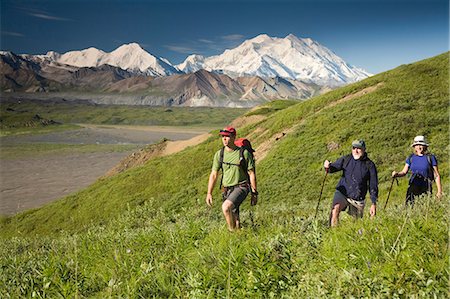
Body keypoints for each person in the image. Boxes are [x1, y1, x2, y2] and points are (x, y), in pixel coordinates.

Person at [206, 126, 258, 231]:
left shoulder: (244, 153)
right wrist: (209, 193)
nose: (224, 139)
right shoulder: (219, 154)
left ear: (234, 137)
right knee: (235, 217)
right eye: (223, 137)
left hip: (241, 187)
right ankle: (238, 236)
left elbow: (251, 173)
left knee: (226, 207)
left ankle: (231, 232)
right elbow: (214, 174)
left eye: (227, 136)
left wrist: (254, 192)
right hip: (227, 189)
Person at [324, 139, 378, 227]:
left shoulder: (369, 165)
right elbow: (333, 168)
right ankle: (334, 234)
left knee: (355, 224)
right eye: (354, 148)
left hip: (358, 198)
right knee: (335, 211)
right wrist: (328, 167)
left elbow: (373, 184)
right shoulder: (347, 159)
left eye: (358, 149)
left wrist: (373, 203)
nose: (355, 151)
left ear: (364, 149)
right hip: (343, 193)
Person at [391, 135, 442, 206]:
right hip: (412, 186)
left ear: (425, 146)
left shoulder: (430, 158)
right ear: (414, 147)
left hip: (426, 187)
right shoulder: (411, 158)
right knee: (409, 207)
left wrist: (439, 191)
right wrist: (397, 174)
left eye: (421, 145)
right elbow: (404, 172)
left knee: (424, 208)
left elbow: (436, 175)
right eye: (417, 145)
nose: (419, 147)